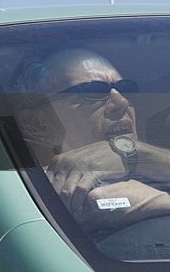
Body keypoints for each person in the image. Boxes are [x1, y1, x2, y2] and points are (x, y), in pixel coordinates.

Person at [14, 48, 170, 232]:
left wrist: (133, 154)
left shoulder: (155, 178)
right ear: (36, 123)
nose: (121, 103)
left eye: (125, 88)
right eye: (93, 90)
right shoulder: (20, 201)